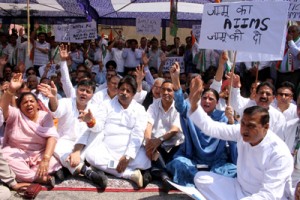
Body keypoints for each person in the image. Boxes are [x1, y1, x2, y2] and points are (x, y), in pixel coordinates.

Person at [188, 76, 293, 199]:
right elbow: (212, 128)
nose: (244, 129)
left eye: (251, 126)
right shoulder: (241, 132)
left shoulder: (279, 154)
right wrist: (194, 104)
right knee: (201, 178)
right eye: (243, 123)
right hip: (239, 188)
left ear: (266, 127)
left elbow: (269, 195)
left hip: (261, 196)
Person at [166, 62, 237, 187]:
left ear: (217, 103)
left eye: (211, 99)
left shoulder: (223, 117)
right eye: (204, 98)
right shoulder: (193, 112)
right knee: (178, 163)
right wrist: (175, 79)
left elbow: (234, 138)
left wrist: (231, 121)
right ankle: (199, 180)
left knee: (232, 171)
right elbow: (180, 105)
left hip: (217, 161)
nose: (207, 101)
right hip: (193, 158)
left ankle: (207, 179)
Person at [85, 76, 151, 188]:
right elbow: (98, 126)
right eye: (122, 89)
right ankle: (130, 174)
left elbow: (138, 134)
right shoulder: (106, 105)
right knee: (90, 156)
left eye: (128, 91)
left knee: (145, 161)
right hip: (108, 150)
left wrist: (127, 156)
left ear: (133, 94)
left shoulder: (139, 109)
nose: (124, 93)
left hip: (130, 153)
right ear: (118, 90)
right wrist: (91, 122)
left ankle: (110, 169)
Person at [0, 73, 61, 187]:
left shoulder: (45, 116)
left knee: (56, 159)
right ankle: (38, 178)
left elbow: (52, 137)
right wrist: (11, 90)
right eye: (25, 102)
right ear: (20, 106)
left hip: (40, 154)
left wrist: (45, 159)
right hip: (18, 153)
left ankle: (25, 177)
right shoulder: (16, 114)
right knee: (5, 156)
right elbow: (3, 108)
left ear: (38, 105)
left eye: (31, 101)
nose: (29, 104)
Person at [144, 80, 183, 192]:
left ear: (174, 93)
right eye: (163, 90)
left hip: (175, 144)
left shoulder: (178, 107)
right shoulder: (153, 106)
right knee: (148, 151)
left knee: (177, 162)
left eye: (169, 90)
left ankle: (156, 173)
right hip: (157, 145)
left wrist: (159, 140)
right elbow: (148, 124)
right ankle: (165, 177)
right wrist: (148, 142)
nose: (166, 92)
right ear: (160, 92)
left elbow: (175, 129)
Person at [230, 74, 286, 139]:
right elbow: (234, 103)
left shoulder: (279, 117)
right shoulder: (247, 106)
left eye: (268, 94)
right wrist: (235, 87)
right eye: (261, 93)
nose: (264, 96)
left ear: (273, 98)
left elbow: (279, 138)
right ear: (255, 95)